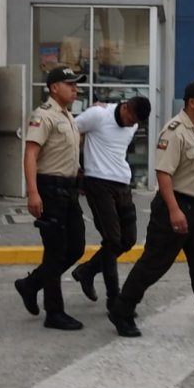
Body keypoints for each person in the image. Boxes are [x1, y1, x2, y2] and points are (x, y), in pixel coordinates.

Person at [106, 79, 194, 341]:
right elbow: (163, 173)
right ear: (192, 102)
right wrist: (174, 210)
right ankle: (122, 309)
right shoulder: (174, 130)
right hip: (174, 206)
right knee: (154, 264)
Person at [13, 66, 87, 331]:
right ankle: (54, 312)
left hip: (68, 189)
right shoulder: (43, 115)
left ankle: (31, 283)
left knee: (76, 246)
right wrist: (32, 193)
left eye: (76, 85)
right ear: (54, 87)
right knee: (55, 252)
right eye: (70, 84)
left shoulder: (68, 116)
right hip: (50, 188)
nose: (75, 88)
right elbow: (31, 154)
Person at [71, 96, 152, 311]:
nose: (132, 124)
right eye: (131, 118)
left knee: (128, 239)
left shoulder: (132, 126)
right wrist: (76, 161)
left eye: (136, 122)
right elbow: (71, 129)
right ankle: (113, 297)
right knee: (112, 240)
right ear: (125, 107)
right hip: (98, 182)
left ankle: (86, 271)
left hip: (122, 183)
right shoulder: (99, 115)